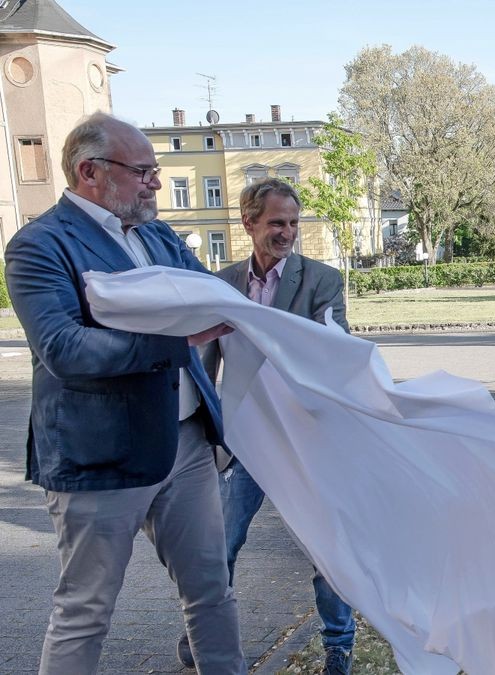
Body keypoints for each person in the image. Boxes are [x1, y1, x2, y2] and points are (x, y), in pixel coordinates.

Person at [4, 112, 244, 673]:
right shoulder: (39, 246)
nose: (156, 183)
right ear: (91, 171)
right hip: (102, 453)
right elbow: (64, 349)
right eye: (143, 171)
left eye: (155, 171)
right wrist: (174, 340)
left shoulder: (158, 235)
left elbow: (211, 299)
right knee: (85, 609)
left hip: (185, 444)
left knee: (213, 589)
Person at [178, 177, 355, 675]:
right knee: (219, 545)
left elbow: (333, 352)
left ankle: (338, 645)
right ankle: (200, 634)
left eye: (294, 223)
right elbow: (204, 362)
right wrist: (208, 434)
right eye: (277, 222)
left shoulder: (323, 281)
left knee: (326, 549)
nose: (287, 232)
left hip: (307, 441)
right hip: (244, 442)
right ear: (248, 222)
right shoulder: (221, 284)